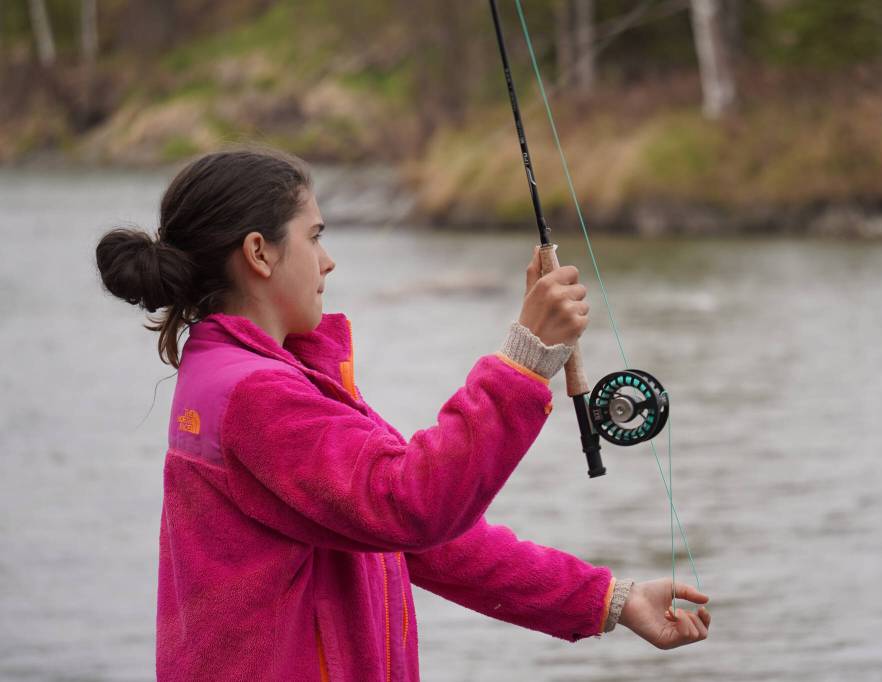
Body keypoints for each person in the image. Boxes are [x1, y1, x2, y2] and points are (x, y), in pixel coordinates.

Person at [95, 147, 710, 681]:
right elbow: (413, 504)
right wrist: (524, 360)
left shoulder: (253, 375)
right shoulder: (257, 394)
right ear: (259, 252)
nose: (328, 261)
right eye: (314, 236)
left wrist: (607, 599)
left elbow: (420, 541)